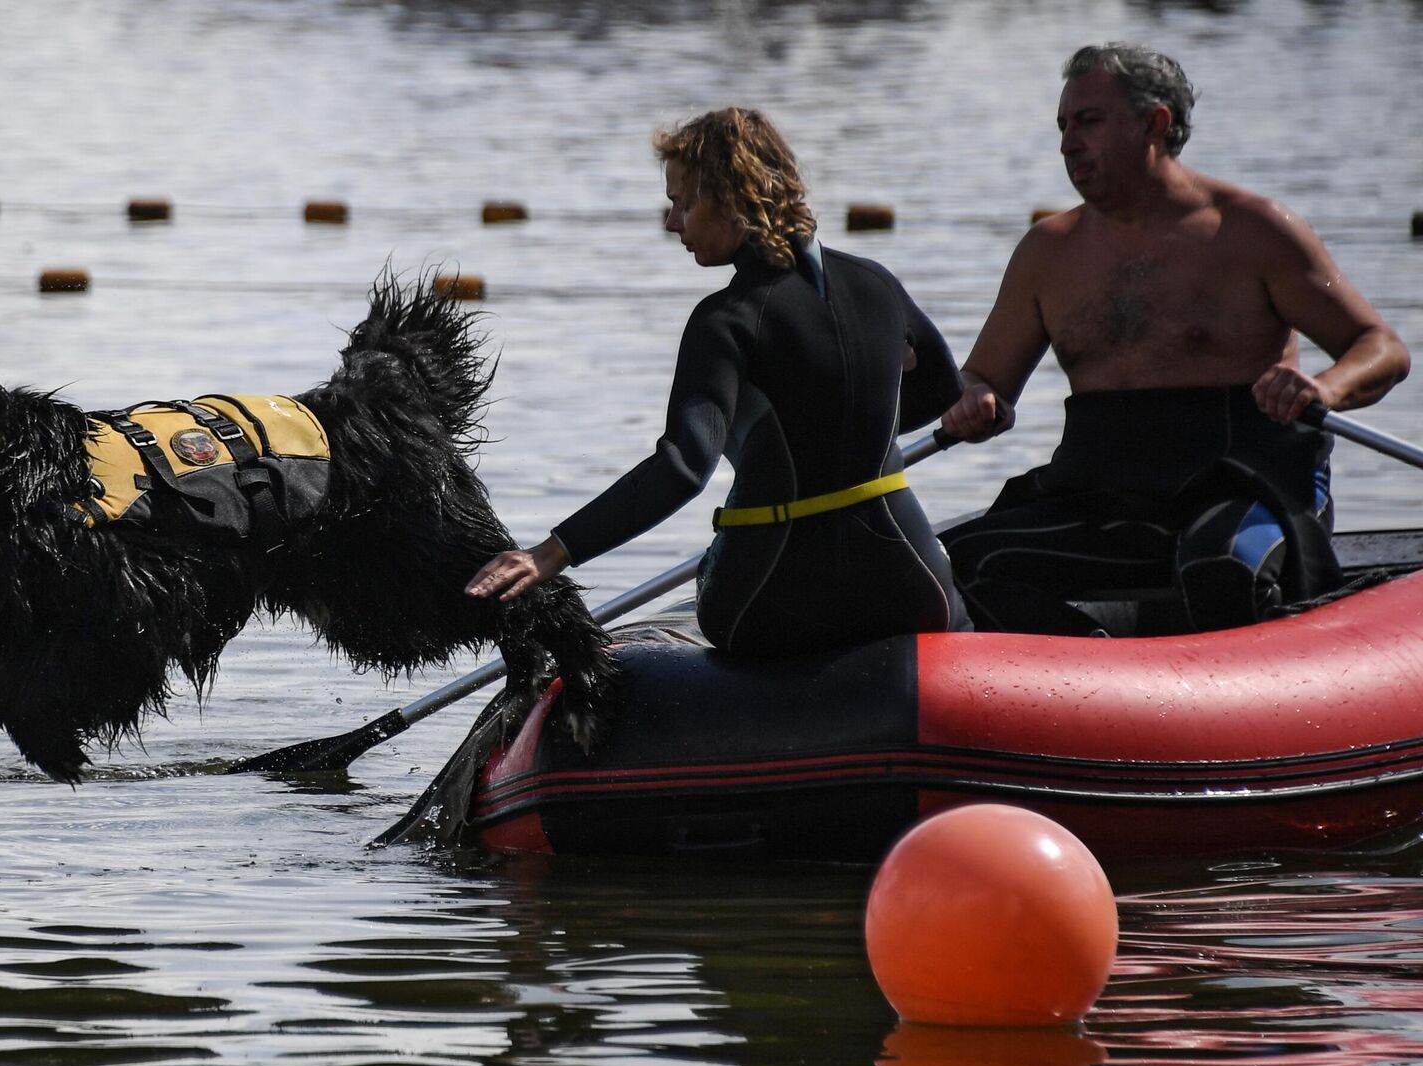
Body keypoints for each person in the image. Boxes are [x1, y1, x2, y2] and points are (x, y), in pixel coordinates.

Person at [937, 43, 1410, 635]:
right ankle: (1099, 683)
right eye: (1062, 125)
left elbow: (1381, 347)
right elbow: (984, 377)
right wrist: (971, 396)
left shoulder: (1254, 229)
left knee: (1220, 567)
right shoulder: (1046, 253)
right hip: (1106, 494)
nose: (1067, 144)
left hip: (1247, 483)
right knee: (940, 569)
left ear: (1154, 123)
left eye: (1088, 122)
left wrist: (1323, 387)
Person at [466, 107, 967, 658]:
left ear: (733, 202)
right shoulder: (877, 283)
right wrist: (849, 435)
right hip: (912, 584)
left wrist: (551, 553)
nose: (671, 222)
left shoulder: (726, 320)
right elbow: (942, 391)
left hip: (774, 597)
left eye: (683, 202)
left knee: (728, 586)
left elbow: (683, 467)